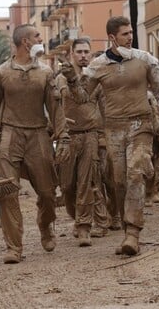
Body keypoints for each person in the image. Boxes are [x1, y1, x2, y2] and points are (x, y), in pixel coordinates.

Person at [61, 16, 159, 256]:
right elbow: (81, 97)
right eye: (125, 34)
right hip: (114, 130)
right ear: (112, 38)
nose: (130, 37)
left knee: (135, 173)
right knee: (118, 181)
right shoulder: (97, 66)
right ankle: (125, 219)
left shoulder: (146, 60)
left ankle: (133, 233)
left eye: (131, 33)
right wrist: (70, 79)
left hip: (141, 124)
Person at [0, 24, 70, 264]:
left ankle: (45, 225)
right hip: (10, 136)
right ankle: (14, 247)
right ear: (25, 42)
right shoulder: (2, 73)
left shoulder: (45, 73)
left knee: (46, 193)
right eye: (36, 36)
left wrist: (63, 136)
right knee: (8, 192)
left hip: (38, 135)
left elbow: (56, 110)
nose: (40, 38)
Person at [56, 38, 110, 246]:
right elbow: (55, 106)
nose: (84, 55)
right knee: (67, 185)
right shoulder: (60, 79)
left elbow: (104, 110)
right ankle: (77, 217)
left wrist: (104, 137)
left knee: (87, 182)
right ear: (72, 54)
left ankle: (84, 226)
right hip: (67, 137)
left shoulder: (95, 79)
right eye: (79, 51)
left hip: (90, 135)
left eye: (86, 51)